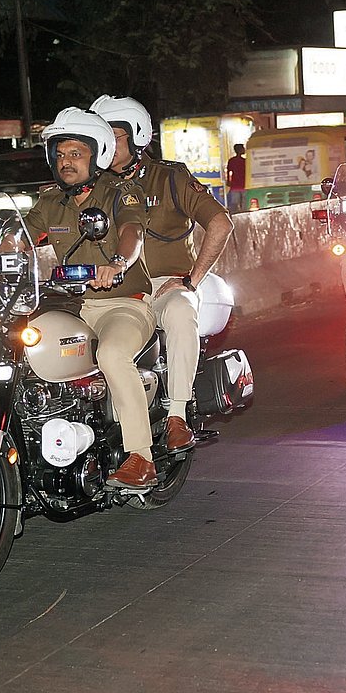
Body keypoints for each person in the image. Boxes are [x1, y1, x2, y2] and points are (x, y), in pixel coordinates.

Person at [92, 95, 235, 452]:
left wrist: (191, 279)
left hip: (163, 287)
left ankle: (177, 417)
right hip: (113, 292)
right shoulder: (92, 188)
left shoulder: (170, 177)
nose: (106, 146)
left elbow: (220, 222)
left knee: (182, 310)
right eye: (100, 137)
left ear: (137, 135)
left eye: (114, 135)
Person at [24, 108, 158, 488]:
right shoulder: (50, 202)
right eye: (61, 154)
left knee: (112, 355)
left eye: (76, 154)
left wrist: (118, 262)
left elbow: (132, 233)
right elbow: (19, 237)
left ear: (97, 155)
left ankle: (141, 457)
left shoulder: (121, 192)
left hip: (123, 304)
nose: (66, 162)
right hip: (71, 307)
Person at [226, 143, 247, 213]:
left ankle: (235, 219)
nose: (244, 149)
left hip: (235, 185)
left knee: (234, 205)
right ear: (240, 150)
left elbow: (229, 172)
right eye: (243, 148)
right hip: (244, 185)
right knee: (244, 206)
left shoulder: (231, 161)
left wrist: (228, 181)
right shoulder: (245, 161)